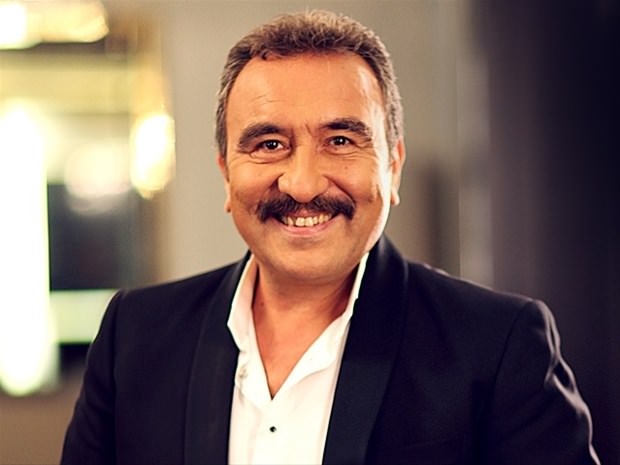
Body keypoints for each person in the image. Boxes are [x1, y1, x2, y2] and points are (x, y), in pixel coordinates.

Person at [61, 10, 599, 465]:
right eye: (269, 144)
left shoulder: (498, 345)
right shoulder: (135, 337)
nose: (303, 183)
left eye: (340, 140)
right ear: (226, 173)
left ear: (392, 165)